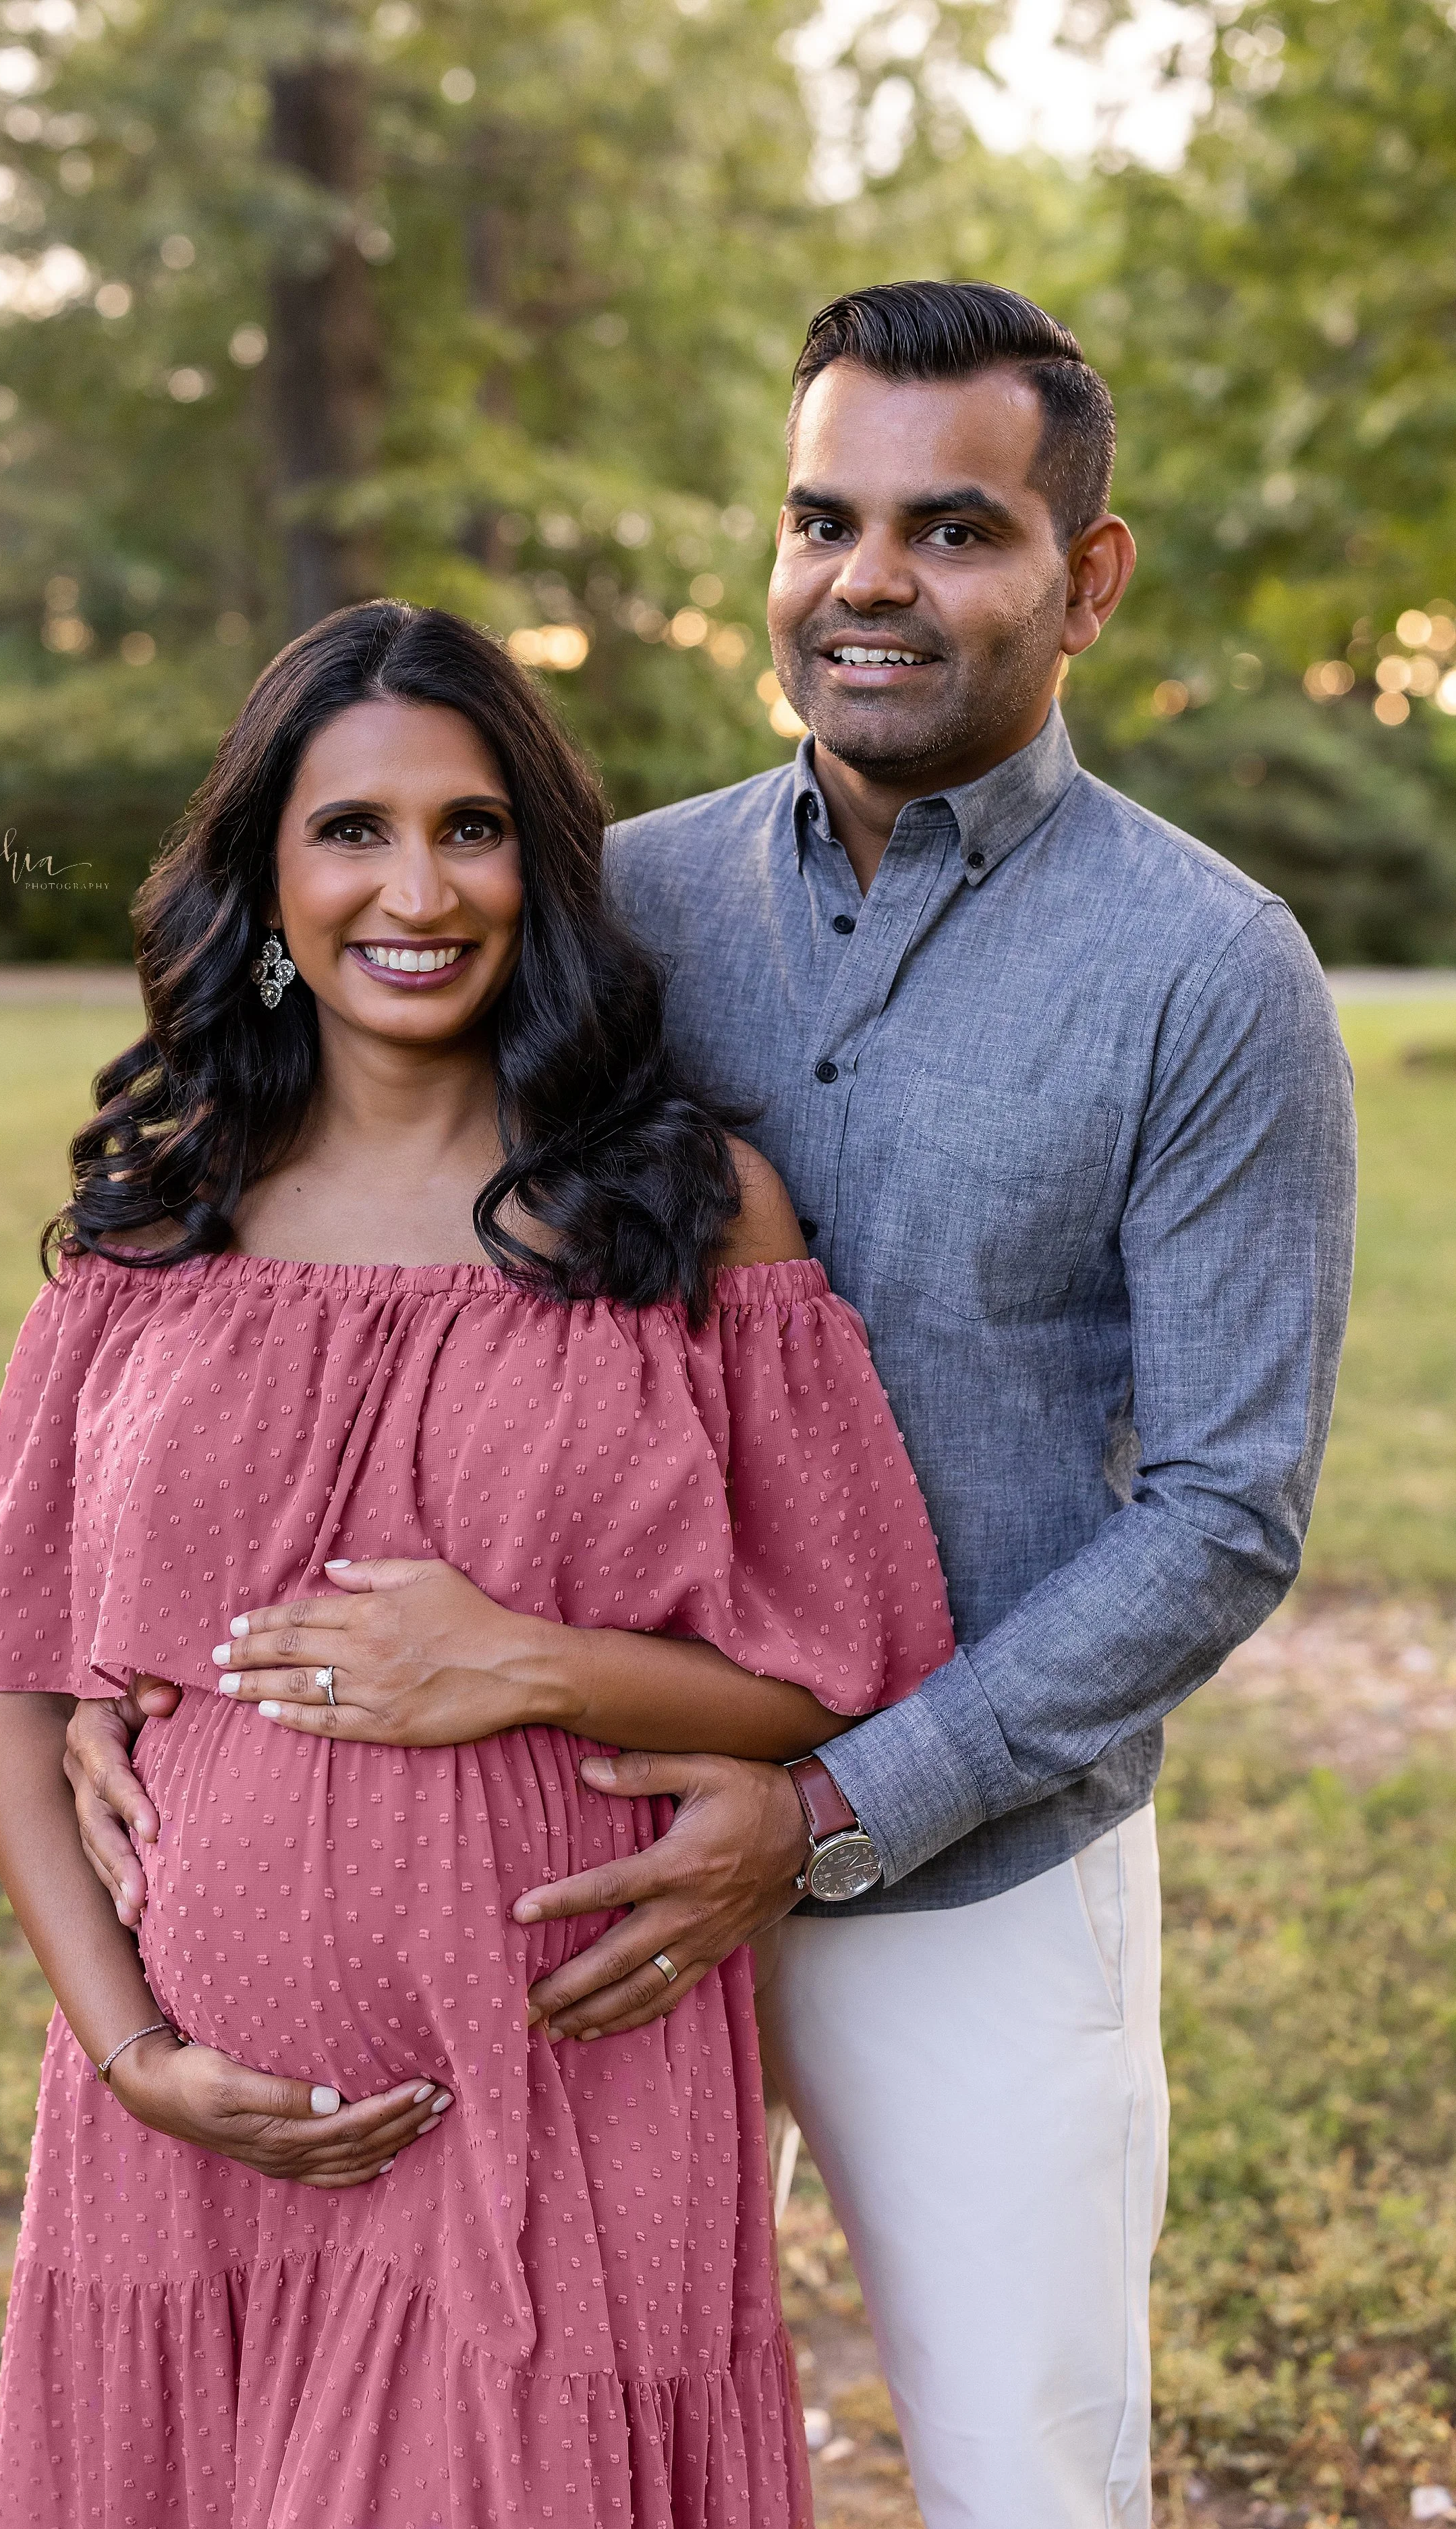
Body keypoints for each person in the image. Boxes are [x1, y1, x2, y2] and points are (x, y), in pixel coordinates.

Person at [71, 281, 1359, 2528]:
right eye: (820, 517)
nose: (867, 580)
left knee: (1021, 2471)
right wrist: (146, 1673)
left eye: (951, 529)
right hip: (554, 1880)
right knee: (557, 2447)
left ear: (1088, 576)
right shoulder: (615, 904)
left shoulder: (1205, 970)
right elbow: (350, 1274)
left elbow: (1227, 1511)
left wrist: (843, 1798)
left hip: (971, 1868)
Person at [0, 598, 957, 2529]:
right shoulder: (155, 1227)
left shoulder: (680, 1211)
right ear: (264, 871)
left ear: (541, 868)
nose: (414, 885)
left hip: (564, 2107)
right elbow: (14, 1681)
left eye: (469, 825)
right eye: (351, 829)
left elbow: (851, 1661)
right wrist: (137, 2049)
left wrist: (535, 1660)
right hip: (197, 2143)